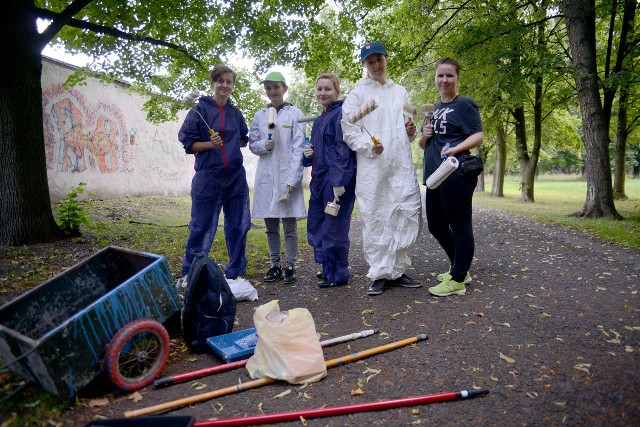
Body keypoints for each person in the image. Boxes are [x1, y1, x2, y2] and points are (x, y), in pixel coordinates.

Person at [341, 42, 423, 296]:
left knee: (406, 211)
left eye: (379, 59)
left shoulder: (400, 92)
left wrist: (411, 131)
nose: (376, 65)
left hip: (400, 163)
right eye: (370, 61)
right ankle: (379, 272)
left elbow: (408, 125)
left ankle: (397, 270)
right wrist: (368, 146)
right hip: (373, 164)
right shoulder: (358, 94)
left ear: (386, 60)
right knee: (376, 215)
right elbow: (349, 128)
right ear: (365, 65)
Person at [177, 64, 251, 285]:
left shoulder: (235, 113)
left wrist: (229, 149)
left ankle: (236, 270)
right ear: (213, 83)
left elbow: (242, 139)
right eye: (221, 81)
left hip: (235, 178)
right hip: (208, 177)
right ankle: (191, 273)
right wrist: (211, 144)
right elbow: (188, 143)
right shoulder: (199, 110)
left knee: (238, 225)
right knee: (201, 225)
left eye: (229, 82)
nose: (225, 85)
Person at [419, 57, 484, 297]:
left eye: (449, 76)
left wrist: (456, 148)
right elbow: (423, 145)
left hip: (455, 173)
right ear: (435, 78)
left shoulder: (464, 104)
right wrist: (425, 135)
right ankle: (460, 269)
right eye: (440, 76)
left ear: (457, 78)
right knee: (436, 225)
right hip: (434, 176)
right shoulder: (434, 108)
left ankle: (457, 279)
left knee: (460, 226)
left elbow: (478, 136)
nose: (444, 80)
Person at [249, 71, 306, 284]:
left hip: (287, 177)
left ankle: (290, 265)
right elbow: (253, 143)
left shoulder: (295, 114)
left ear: (285, 88)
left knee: (289, 224)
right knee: (270, 224)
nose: (272, 91)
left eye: (276, 87)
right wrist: (265, 145)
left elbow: (299, 147)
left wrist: (292, 179)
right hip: (267, 175)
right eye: (268, 87)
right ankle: (275, 265)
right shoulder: (260, 116)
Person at [302, 73, 357, 288]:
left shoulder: (341, 115)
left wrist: (339, 181)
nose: (323, 93)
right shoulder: (319, 121)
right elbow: (319, 152)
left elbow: (343, 150)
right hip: (318, 180)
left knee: (334, 228)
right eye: (319, 89)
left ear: (337, 91)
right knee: (317, 224)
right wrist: (307, 155)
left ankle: (338, 274)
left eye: (328, 89)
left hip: (336, 181)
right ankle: (327, 266)